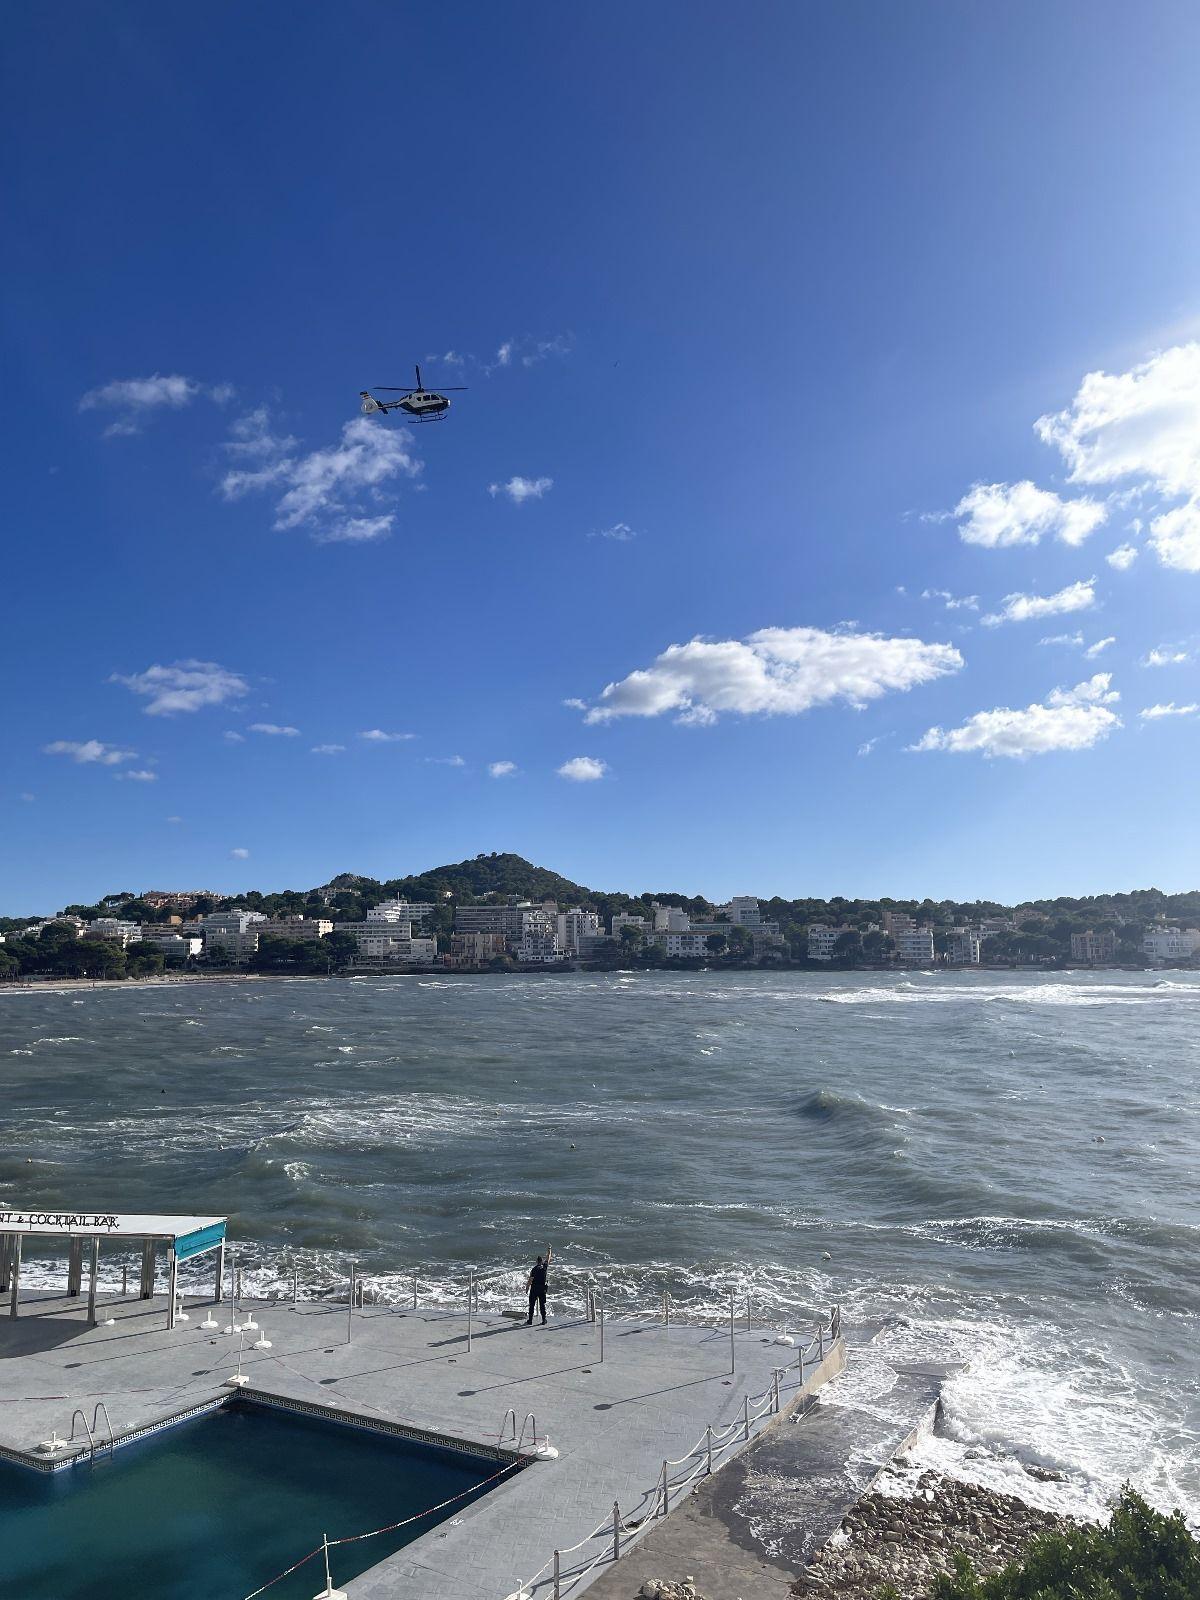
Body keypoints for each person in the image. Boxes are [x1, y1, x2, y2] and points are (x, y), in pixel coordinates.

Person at [525, 1245, 552, 1325]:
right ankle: (543, 1320)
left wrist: (527, 1288)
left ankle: (530, 1320)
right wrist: (549, 1250)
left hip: (534, 1289)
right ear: (542, 1261)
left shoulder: (534, 1269)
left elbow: (530, 1280)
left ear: (537, 1261)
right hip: (542, 1289)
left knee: (532, 1305)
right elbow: (548, 1257)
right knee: (542, 1305)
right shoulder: (544, 1267)